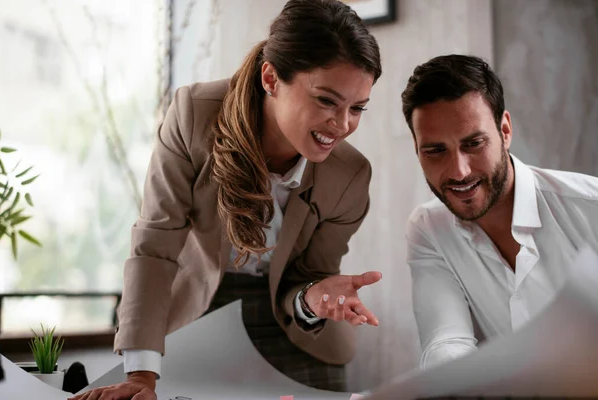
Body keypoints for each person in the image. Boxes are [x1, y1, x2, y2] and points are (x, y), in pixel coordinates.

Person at [70, 1, 383, 399]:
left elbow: (306, 275)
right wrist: (141, 374)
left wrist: (312, 298)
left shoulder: (349, 175)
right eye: (326, 101)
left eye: (357, 108)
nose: (342, 126)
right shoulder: (193, 117)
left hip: (292, 330)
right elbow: (156, 246)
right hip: (196, 310)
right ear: (271, 78)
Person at [401, 54, 598, 370]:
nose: (460, 171)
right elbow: (446, 342)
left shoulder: (590, 209)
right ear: (417, 149)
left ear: (505, 130)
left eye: (474, 143)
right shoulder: (428, 228)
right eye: (435, 151)